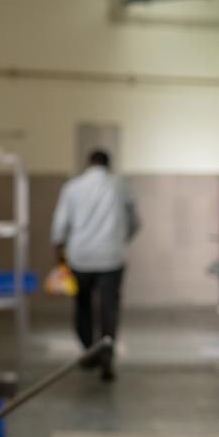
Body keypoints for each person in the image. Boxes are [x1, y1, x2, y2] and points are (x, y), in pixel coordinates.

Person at [51, 149, 140, 382]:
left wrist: (60, 257)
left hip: (80, 257)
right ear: (109, 165)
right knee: (109, 308)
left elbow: (60, 226)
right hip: (111, 257)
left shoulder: (72, 187)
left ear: (87, 164)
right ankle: (107, 358)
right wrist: (122, 239)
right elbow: (135, 221)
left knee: (83, 306)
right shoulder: (120, 186)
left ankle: (89, 351)